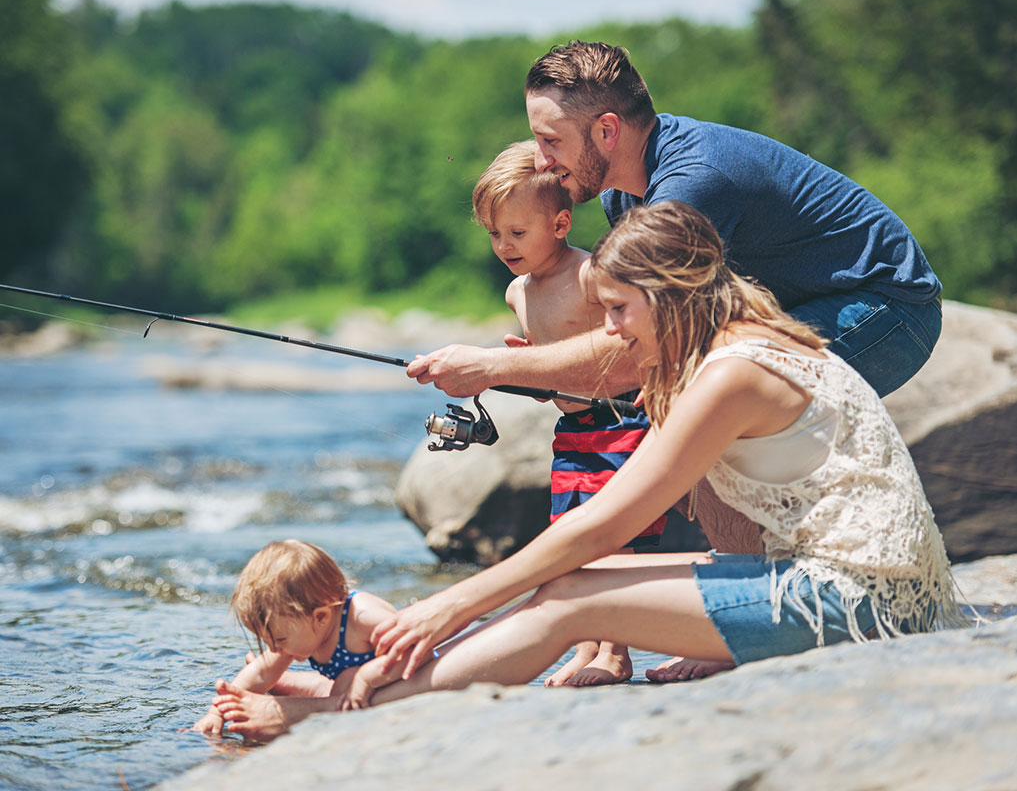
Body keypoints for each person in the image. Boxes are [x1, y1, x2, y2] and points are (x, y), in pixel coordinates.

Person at [210, 202, 965, 741]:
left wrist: (450, 607)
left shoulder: (730, 374)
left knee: (570, 599)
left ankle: (333, 710)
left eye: (617, 310)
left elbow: (604, 523)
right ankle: (383, 685)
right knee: (570, 583)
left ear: (668, 295)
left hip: (860, 605)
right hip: (858, 584)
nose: (608, 331)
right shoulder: (747, 340)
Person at [407, 41, 942, 403]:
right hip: (796, 308)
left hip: (888, 308)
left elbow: (642, 348)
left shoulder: (690, 187)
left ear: (607, 131)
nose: (543, 161)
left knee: (716, 393)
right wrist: (547, 359)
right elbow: (637, 330)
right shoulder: (623, 194)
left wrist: (493, 368)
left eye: (551, 140)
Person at [473, 139, 666, 686]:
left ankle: (616, 652)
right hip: (573, 429)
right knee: (572, 540)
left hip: (623, 422)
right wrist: (529, 371)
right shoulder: (517, 292)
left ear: (560, 224)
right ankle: (585, 647)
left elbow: (632, 340)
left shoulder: (591, 275)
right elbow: (553, 370)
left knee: (614, 538)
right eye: (494, 233)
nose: (504, 245)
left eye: (517, 232)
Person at [194, 539, 431, 737]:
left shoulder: (363, 617)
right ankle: (285, 682)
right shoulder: (301, 626)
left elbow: (422, 650)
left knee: (346, 681)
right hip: (347, 687)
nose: (273, 649)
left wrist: (367, 678)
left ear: (320, 617)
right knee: (335, 683)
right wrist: (217, 713)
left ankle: (295, 686)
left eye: (280, 640)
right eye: (267, 642)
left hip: (409, 679)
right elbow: (261, 671)